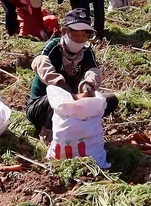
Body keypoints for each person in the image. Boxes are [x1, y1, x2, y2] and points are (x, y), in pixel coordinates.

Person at [26, 8, 117, 141]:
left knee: (109, 100)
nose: (79, 40)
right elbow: (40, 62)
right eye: (75, 34)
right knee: (56, 99)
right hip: (42, 106)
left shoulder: (86, 52)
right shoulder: (54, 47)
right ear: (64, 32)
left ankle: (80, 126)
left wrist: (88, 86)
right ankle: (48, 131)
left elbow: (94, 71)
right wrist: (62, 86)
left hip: (73, 104)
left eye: (84, 35)